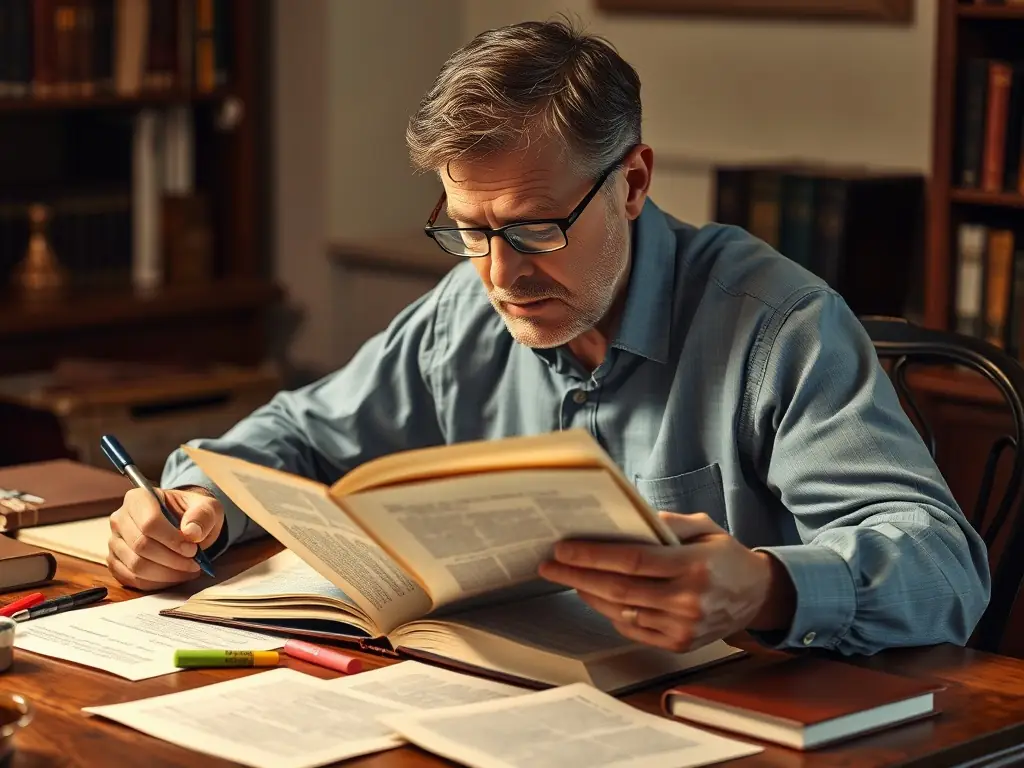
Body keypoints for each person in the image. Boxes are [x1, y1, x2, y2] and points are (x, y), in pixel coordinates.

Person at [106, 18, 990, 656]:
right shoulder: (463, 311)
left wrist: (767, 584)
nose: (500, 275)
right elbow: (292, 435)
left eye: (534, 228)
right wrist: (192, 510)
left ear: (633, 182)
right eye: (469, 229)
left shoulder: (776, 328)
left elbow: (943, 564)